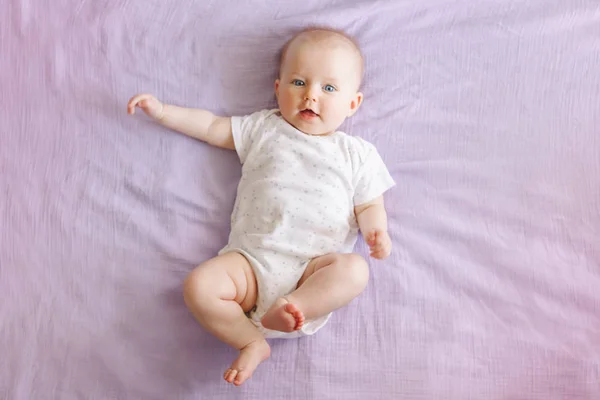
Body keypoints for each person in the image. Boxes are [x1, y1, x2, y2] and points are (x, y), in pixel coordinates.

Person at [127, 27, 395, 386]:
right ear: (277, 87)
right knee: (199, 286)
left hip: (311, 269)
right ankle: (251, 341)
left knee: (355, 270)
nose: (311, 96)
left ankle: (297, 305)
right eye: (299, 82)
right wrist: (162, 112)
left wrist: (377, 229)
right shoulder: (264, 129)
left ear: (353, 104)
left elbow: (370, 202)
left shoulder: (357, 154)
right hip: (251, 265)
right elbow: (210, 126)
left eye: (328, 88)